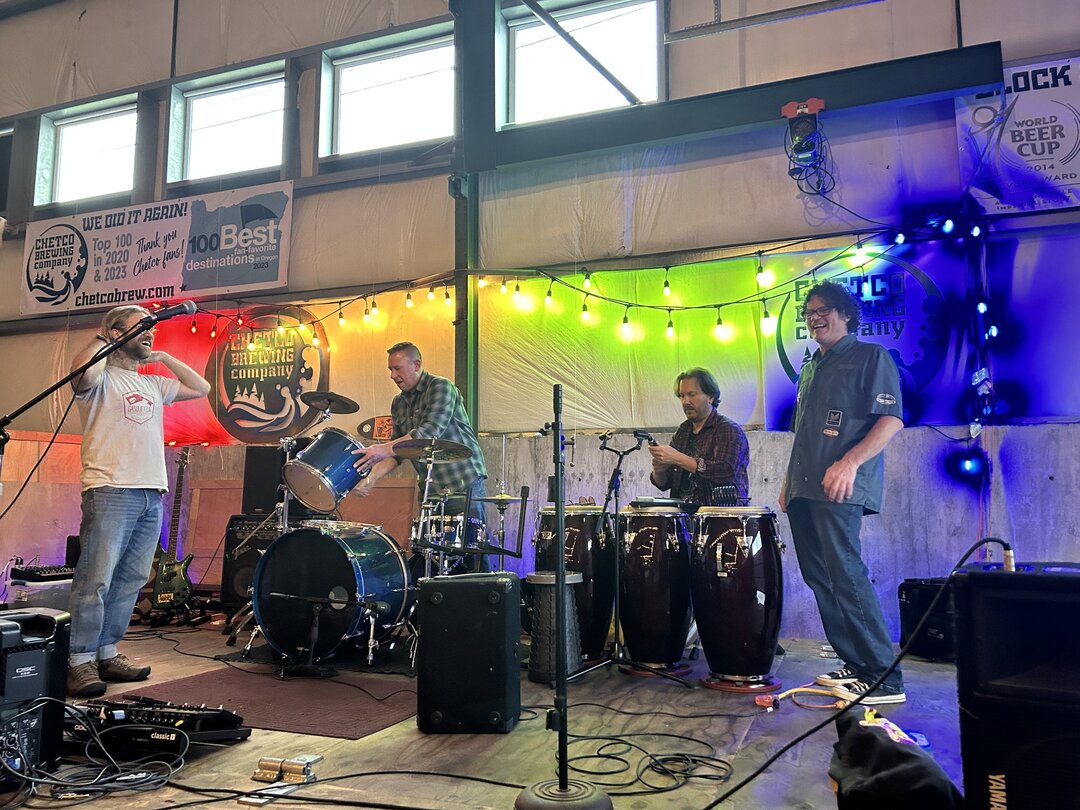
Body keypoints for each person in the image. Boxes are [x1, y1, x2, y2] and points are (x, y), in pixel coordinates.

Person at [67, 305, 211, 698]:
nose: (150, 333)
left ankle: (107, 652)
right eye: (142, 327)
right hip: (110, 488)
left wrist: (163, 357)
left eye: (152, 329)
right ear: (116, 333)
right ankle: (78, 659)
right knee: (95, 578)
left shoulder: (153, 384)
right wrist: (104, 338)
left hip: (151, 492)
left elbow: (201, 388)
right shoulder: (100, 377)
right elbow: (81, 375)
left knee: (131, 579)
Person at [779, 280, 906, 705]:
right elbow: (802, 435)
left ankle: (884, 677)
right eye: (809, 313)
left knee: (846, 575)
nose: (815, 318)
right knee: (821, 579)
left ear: (846, 314)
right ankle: (856, 662)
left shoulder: (871, 356)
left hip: (840, 488)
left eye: (823, 310)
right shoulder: (810, 367)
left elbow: (890, 420)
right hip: (804, 489)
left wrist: (849, 462)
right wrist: (788, 483)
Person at [352, 342, 487, 562]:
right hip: (430, 491)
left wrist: (381, 449)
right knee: (431, 558)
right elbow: (397, 452)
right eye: (390, 369)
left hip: (462, 483)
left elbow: (428, 433)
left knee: (471, 553)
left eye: (397, 368)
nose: (393, 375)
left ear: (416, 365)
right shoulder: (399, 403)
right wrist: (371, 478)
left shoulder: (441, 387)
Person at [648, 367, 750, 505]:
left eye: (691, 394)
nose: (686, 401)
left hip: (721, 514)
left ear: (710, 397)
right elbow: (665, 484)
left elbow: (725, 472)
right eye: (681, 396)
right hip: (684, 513)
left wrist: (678, 458)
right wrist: (659, 471)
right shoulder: (683, 431)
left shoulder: (728, 429)